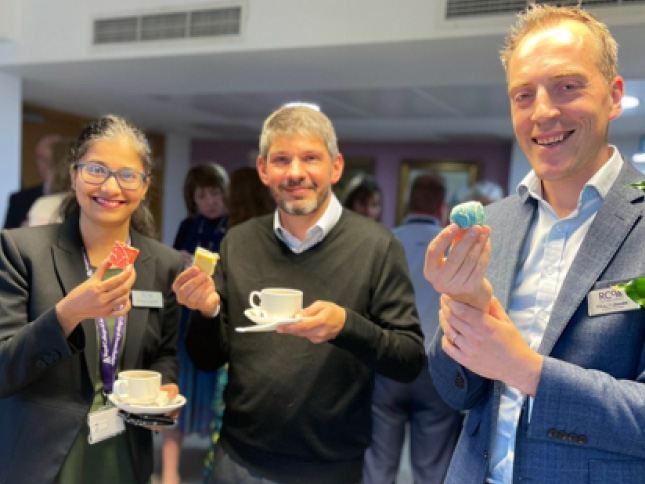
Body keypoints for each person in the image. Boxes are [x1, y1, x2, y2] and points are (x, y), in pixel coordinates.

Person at [424, 4, 645, 484]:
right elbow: (457, 393)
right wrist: (463, 309)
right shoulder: (493, 225)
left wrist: (527, 371)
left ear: (614, 96)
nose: (543, 112)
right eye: (523, 95)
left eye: (567, 86)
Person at [172, 105, 425, 484]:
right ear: (263, 170)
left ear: (335, 167)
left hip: (329, 468)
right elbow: (208, 359)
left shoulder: (378, 246)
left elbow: (409, 359)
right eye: (281, 160)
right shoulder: (238, 242)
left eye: (310, 158)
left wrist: (346, 326)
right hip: (238, 460)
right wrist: (206, 313)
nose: (295, 172)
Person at [0, 114, 184, 484]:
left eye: (128, 175)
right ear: (73, 174)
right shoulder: (21, 251)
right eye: (96, 170)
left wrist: (164, 387)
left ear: (145, 186)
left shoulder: (163, 263)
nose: (111, 187)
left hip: (123, 454)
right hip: (41, 459)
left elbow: (164, 351)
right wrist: (67, 314)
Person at [363, 173, 462, 484]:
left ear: (408, 202)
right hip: (438, 367)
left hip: (388, 364)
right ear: (442, 206)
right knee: (433, 471)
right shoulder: (454, 249)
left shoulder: (384, 242)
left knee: (378, 464)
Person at [201, 166, 276, 482]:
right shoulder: (278, 238)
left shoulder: (234, 241)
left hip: (237, 348)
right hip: (271, 348)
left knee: (225, 431)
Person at [162, 163, 229, 484]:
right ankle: (169, 474)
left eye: (215, 193)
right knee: (177, 398)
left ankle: (212, 469)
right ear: (193, 199)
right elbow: (171, 268)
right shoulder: (188, 226)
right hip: (184, 327)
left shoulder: (233, 228)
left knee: (216, 404)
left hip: (214, 327)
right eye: (202, 196)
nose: (210, 201)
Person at [3, 134, 62, 229]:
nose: (46, 165)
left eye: (52, 158)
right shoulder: (19, 200)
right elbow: (6, 240)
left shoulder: (78, 199)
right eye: (42, 158)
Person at [27, 138, 75, 226]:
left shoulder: (45, 206)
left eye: (46, 159)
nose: (44, 165)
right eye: (40, 158)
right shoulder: (90, 205)